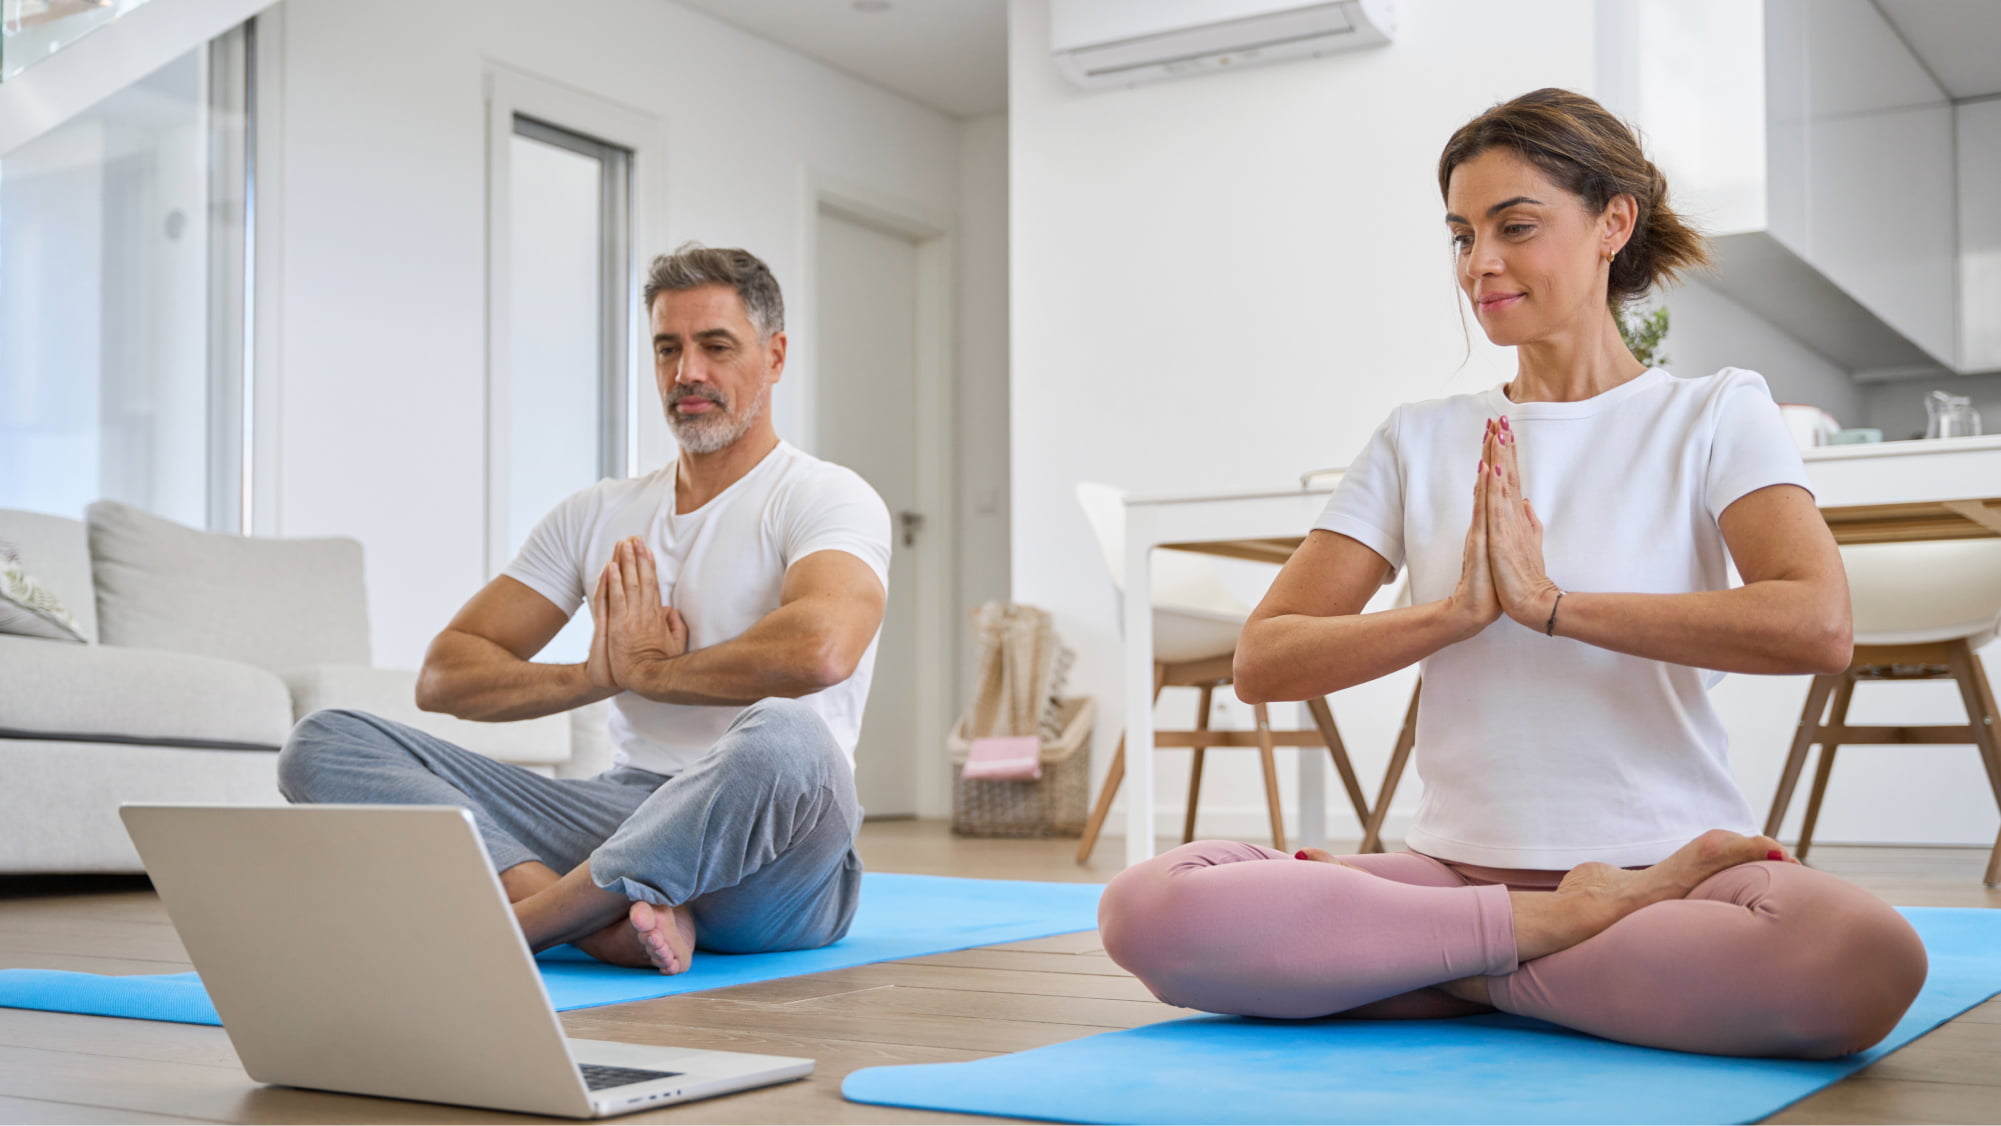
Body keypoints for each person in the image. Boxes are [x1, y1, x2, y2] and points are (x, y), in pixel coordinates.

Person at [1095, 88, 1927, 1059]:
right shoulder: (1418, 438)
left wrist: (1553, 608)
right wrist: (1454, 614)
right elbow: (1267, 660)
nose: (1479, 263)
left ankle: (1424, 967)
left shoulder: (1714, 412)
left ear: (1614, 221)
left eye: (1515, 227)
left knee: (1860, 957)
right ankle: (1541, 944)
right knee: (1148, 908)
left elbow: (1816, 625)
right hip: (1454, 876)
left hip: (1674, 876)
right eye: (1460, 235)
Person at [277, 243, 891, 976]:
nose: (687, 372)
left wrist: (655, 673)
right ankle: (600, 921)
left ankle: (527, 924)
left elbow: (822, 650)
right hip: (625, 812)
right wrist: (595, 676)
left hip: (774, 858)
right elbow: (445, 675)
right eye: (668, 349)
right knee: (324, 740)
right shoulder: (596, 512)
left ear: (776, 355)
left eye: (715, 346)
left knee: (787, 733)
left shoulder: (824, 495)